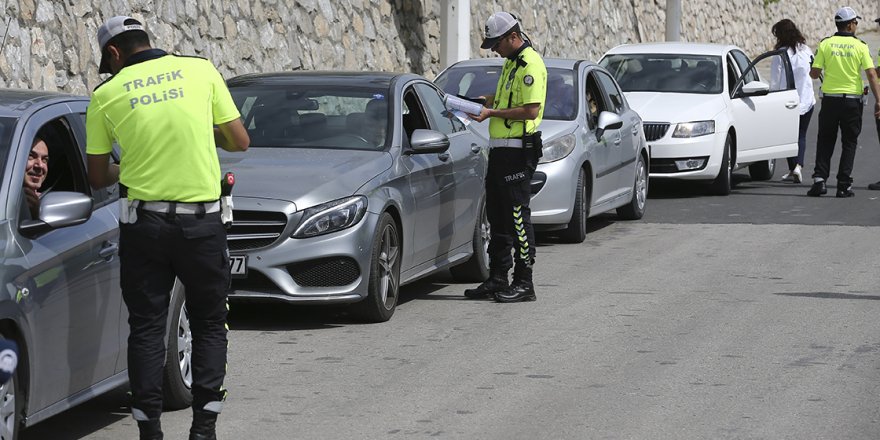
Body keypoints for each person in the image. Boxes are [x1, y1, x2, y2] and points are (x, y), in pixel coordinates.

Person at [85, 16, 249, 440]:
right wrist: (196, 134)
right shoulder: (200, 69)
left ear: (115, 53)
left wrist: (136, 160)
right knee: (210, 323)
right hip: (203, 223)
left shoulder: (106, 95)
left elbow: (98, 176)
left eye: (110, 62)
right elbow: (238, 141)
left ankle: (150, 433)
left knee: (145, 328)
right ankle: (204, 430)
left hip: (146, 226)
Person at [463, 11, 546, 303]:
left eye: (497, 43)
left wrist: (491, 113)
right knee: (497, 215)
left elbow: (530, 110)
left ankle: (525, 282)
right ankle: (498, 277)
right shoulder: (511, 63)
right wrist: (486, 102)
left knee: (517, 216)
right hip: (501, 149)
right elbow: (510, 101)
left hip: (518, 150)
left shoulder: (529, 64)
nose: (495, 50)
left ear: (513, 37)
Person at [807, 7, 880, 197]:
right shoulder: (861, 46)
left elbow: (814, 74)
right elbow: (872, 74)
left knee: (825, 140)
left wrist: (816, 69)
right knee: (849, 142)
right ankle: (843, 185)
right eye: (856, 22)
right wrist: (879, 100)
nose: (856, 25)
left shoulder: (826, 44)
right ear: (849, 24)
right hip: (852, 102)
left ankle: (819, 181)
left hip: (830, 101)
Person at [770, 19, 815, 184]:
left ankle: (793, 167)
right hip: (807, 99)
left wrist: (771, 98)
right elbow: (815, 71)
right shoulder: (806, 50)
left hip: (787, 102)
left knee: (788, 136)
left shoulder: (780, 54)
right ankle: (797, 168)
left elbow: (775, 80)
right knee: (801, 135)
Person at [23, 136, 48, 218]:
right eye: (31, 156)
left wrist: (36, 215)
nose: (40, 165)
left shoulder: (48, 204)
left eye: (44, 159)